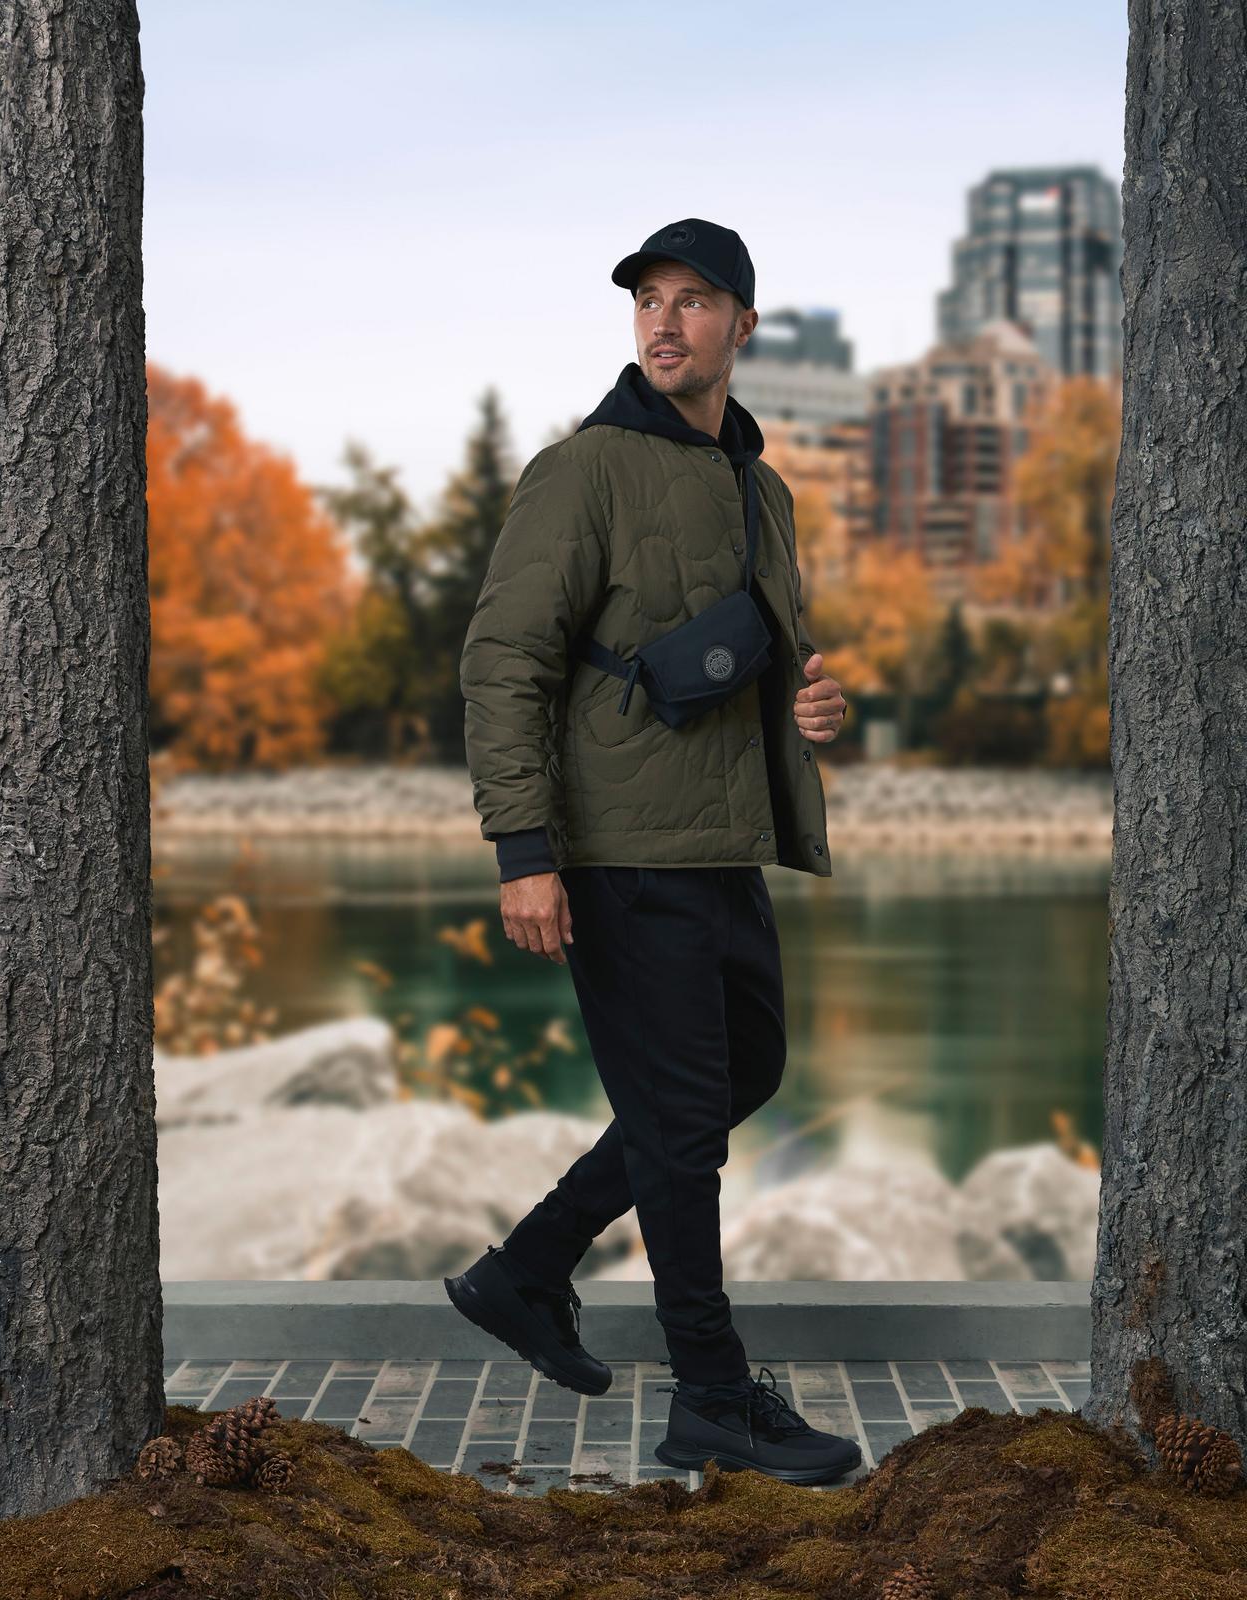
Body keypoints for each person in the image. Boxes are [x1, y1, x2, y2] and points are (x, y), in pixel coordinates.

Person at [445, 218, 859, 1485]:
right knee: (681, 1127)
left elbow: (760, 656)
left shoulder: (760, 487)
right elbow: (502, 660)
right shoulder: (583, 470)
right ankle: (712, 1398)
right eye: (646, 302)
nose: (663, 322)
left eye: (692, 301)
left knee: (741, 1075)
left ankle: (526, 1269)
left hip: (721, 845)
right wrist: (524, 851)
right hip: (620, 851)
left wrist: (815, 710)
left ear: (743, 323)